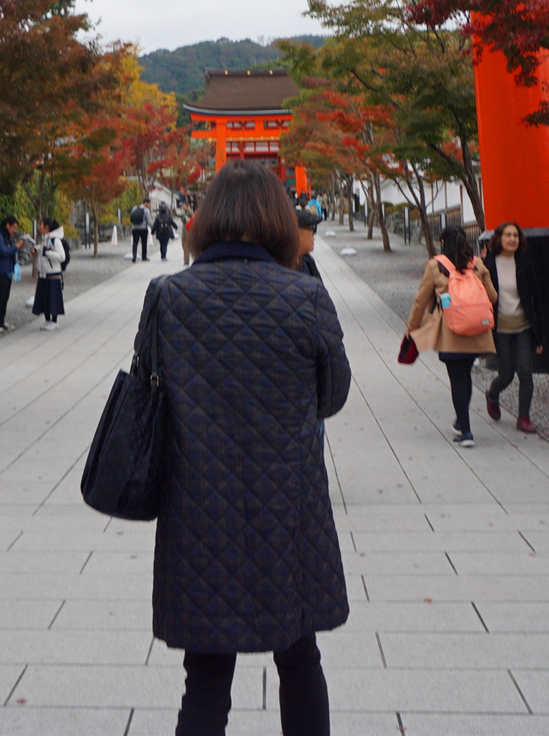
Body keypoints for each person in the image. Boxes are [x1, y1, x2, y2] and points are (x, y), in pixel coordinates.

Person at [142, 161, 350, 736]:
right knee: (299, 658)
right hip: (288, 505)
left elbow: (149, 391)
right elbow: (332, 395)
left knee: (205, 677)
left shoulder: (168, 295)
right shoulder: (305, 295)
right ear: (280, 222)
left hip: (196, 504)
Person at [404, 223, 498, 447]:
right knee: (465, 377)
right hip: (476, 330)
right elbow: (493, 297)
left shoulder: (435, 266)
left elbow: (421, 301)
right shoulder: (477, 264)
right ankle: (461, 421)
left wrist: (411, 328)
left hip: (450, 331)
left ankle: (466, 432)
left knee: (456, 379)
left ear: (443, 241)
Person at [480, 223, 538, 433]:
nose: (512, 239)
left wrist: (539, 333)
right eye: (508, 235)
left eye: (516, 235)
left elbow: (535, 296)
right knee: (506, 375)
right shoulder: (489, 263)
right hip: (500, 327)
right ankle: (492, 395)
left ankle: (524, 417)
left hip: (522, 325)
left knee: (525, 371)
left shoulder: (524, 263)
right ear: (499, 238)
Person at [33, 216, 67, 329]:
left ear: (46, 227)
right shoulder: (44, 239)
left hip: (53, 273)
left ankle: (54, 321)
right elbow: (43, 249)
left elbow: (62, 256)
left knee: (53, 298)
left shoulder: (55, 240)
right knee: (44, 298)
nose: (39, 227)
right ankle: (47, 320)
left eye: (40, 225)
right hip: (43, 273)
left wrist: (49, 253)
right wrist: (37, 249)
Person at [294, 206, 323, 283]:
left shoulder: (307, 260)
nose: (313, 234)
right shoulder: (279, 267)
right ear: (296, 233)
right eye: (311, 228)